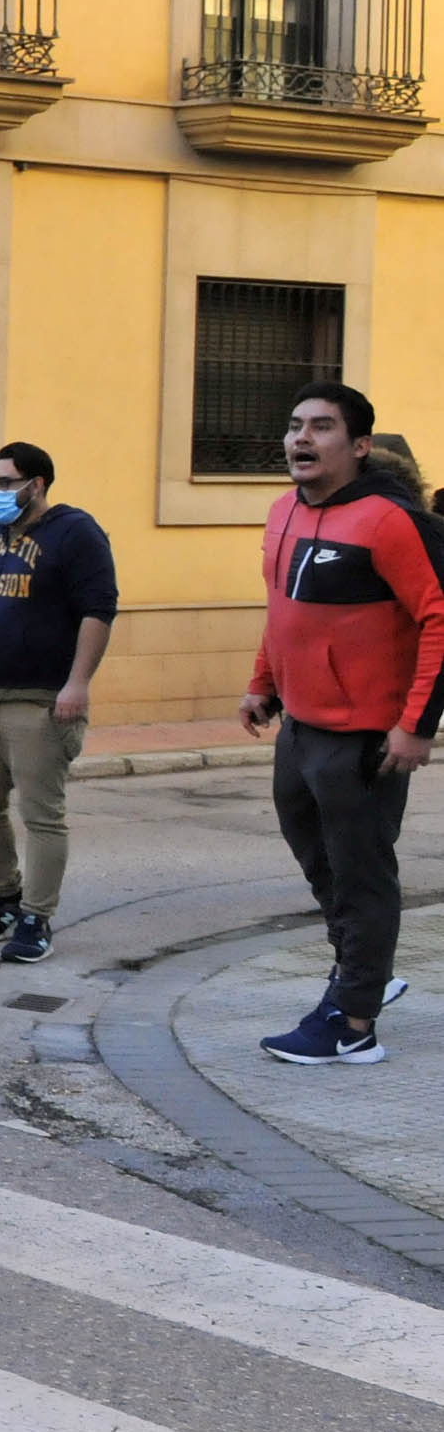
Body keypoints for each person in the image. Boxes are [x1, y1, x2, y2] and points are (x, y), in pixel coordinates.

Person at [241, 383, 444, 1065]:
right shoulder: (279, 512)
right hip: (298, 729)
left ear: (357, 446)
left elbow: (437, 619)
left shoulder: (389, 522)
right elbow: (282, 612)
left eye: (320, 427)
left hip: (365, 739)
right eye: (294, 425)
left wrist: (415, 725)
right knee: (319, 864)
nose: (300, 438)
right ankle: (364, 974)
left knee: (360, 876)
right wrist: (261, 685)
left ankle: (353, 1025)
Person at [0, 441, 117, 966]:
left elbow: (98, 609)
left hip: (43, 700)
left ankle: (35, 915)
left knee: (41, 815)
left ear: (37, 484)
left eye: (4, 483)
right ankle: (3, 896)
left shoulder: (75, 531)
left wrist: (78, 683)